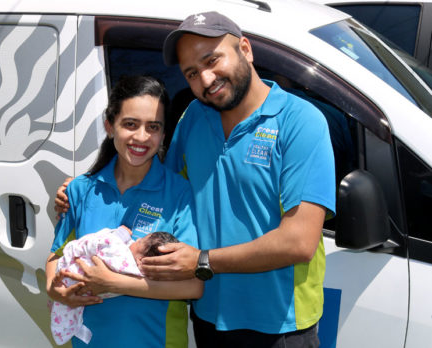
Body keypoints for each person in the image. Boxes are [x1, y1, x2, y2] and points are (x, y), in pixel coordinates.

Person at [55, 11, 336, 347]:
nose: (205, 79)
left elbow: (299, 241)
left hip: (280, 325)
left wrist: (202, 260)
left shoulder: (301, 121)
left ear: (245, 49)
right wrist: (81, 190)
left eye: (212, 60)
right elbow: (159, 190)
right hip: (208, 316)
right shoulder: (193, 119)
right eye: (192, 73)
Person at [46, 75, 203, 348]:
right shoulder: (81, 189)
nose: (141, 137)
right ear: (110, 126)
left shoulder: (179, 193)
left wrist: (112, 283)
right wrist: (56, 291)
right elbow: (56, 257)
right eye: (130, 124)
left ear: (163, 134)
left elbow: (193, 286)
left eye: (153, 127)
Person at [51, 227, 179, 345]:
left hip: (71, 275)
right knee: (69, 310)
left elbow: (102, 241)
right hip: (74, 278)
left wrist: (120, 234)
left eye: (140, 242)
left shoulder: (118, 249)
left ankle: (65, 327)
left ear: (142, 260)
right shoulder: (143, 275)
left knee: (68, 307)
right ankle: (66, 328)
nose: (137, 239)